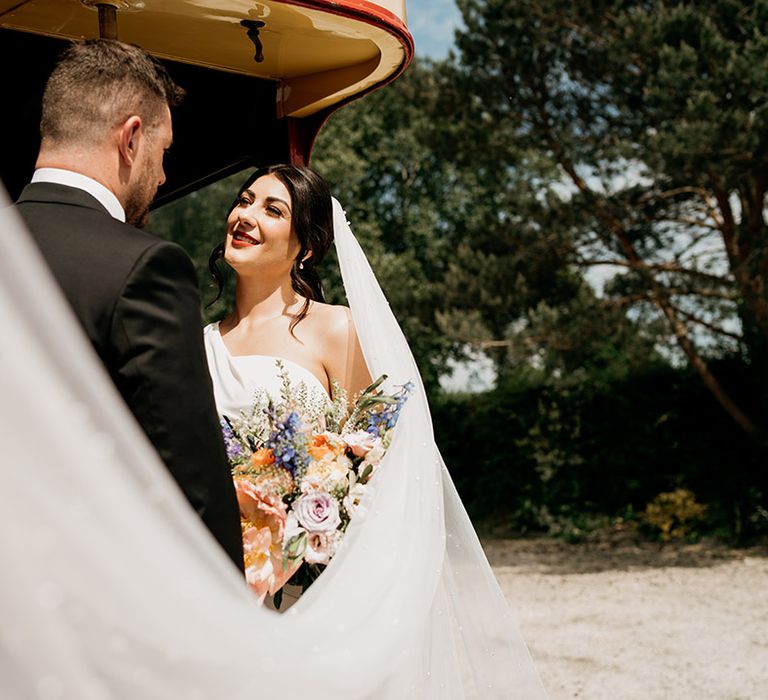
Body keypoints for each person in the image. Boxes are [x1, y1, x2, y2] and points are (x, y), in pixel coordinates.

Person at [14, 39, 243, 573]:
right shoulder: (144, 267)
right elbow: (192, 490)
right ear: (132, 138)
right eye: (163, 154)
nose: (163, 177)